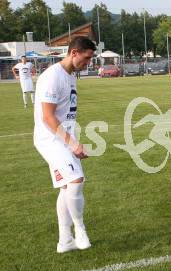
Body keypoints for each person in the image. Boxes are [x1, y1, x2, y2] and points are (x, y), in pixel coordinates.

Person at [33, 36, 96, 253]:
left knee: (67, 187)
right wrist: (73, 143)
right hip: (51, 139)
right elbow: (48, 117)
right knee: (77, 180)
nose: (88, 63)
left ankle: (65, 240)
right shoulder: (53, 76)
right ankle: (80, 229)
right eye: (86, 58)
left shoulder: (70, 76)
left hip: (61, 137)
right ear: (74, 52)